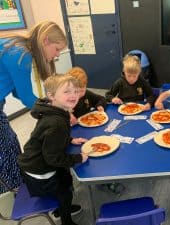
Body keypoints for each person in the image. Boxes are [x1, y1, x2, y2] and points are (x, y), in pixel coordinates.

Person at [0, 21, 67, 194]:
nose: (57, 54)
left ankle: (17, 186)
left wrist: (46, 106)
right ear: (45, 41)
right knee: (6, 148)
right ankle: (13, 192)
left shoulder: (17, 46)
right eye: (57, 49)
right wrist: (57, 111)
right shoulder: (20, 54)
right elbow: (26, 97)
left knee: (11, 143)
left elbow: (17, 92)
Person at [18, 74, 89, 225]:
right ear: (51, 95)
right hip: (38, 171)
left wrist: (70, 140)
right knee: (65, 192)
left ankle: (62, 207)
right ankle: (65, 219)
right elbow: (53, 159)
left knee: (66, 178)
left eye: (76, 91)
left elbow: (48, 139)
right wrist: (78, 158)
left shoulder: (54, 111)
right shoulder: (56, 123)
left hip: (36, 162)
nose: (74, 95)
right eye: (67, 91)